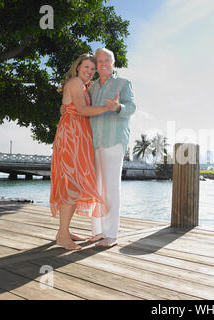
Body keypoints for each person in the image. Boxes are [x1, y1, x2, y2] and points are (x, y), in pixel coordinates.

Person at [50, 53, 118, 250]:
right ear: (77, 67)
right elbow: (80, 110)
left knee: (74, 182)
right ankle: (63, 235)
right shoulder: (75, 82)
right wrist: (107, 108)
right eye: (86, 67)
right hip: (71, 136)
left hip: (78, 135)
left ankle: (64, 230)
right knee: (71, 182)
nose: (89, 71)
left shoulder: (83, 85)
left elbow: (70, 106)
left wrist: (64, 107)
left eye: (92, 68)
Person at [87, 48, 137, 247]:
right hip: (94, 141)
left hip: (113, 140)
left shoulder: (123, 83)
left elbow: (131, 107)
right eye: (99, 61)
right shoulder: (91, 87)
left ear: (113, 63)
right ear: (96, 64)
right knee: (95, 187)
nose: (103, 63)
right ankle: (97, 231)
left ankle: (111, 233)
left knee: (110, 188)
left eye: (106, 60)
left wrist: (118, 107)